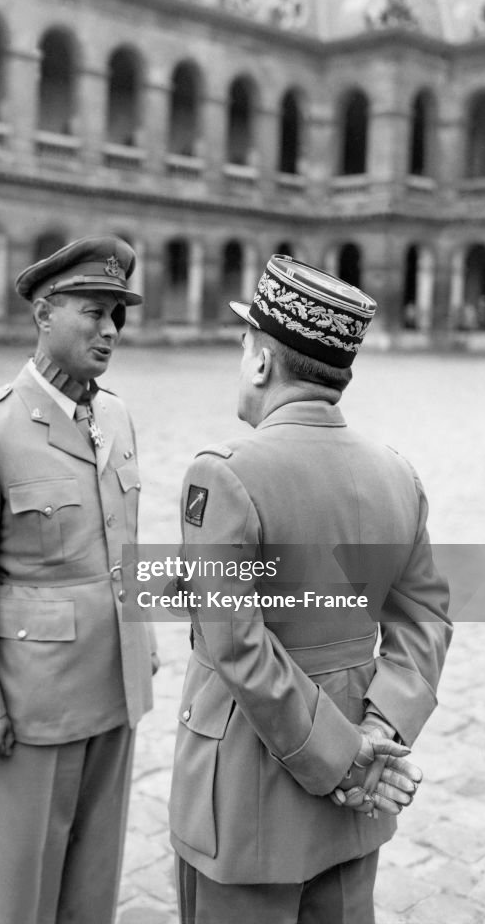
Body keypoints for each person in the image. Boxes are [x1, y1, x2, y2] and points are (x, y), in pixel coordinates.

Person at [170, 254, 452, 924]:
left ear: (263, 362)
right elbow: (426, 621)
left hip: (244, 807)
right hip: (355, 811)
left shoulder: (225, 475)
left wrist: (342, 758)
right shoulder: (396, 475)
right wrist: (378, 733)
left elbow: (237, 646)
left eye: (244, 346)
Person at [0, 236, 158, 924]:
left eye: (118, 316)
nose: (110, 331)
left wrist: (141, 647)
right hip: (31, 708)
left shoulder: (116, 416)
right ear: (44, 314)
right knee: (20, 899)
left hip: (114, 692)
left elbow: (125, 543)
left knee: (93, 893)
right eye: (93, 312)